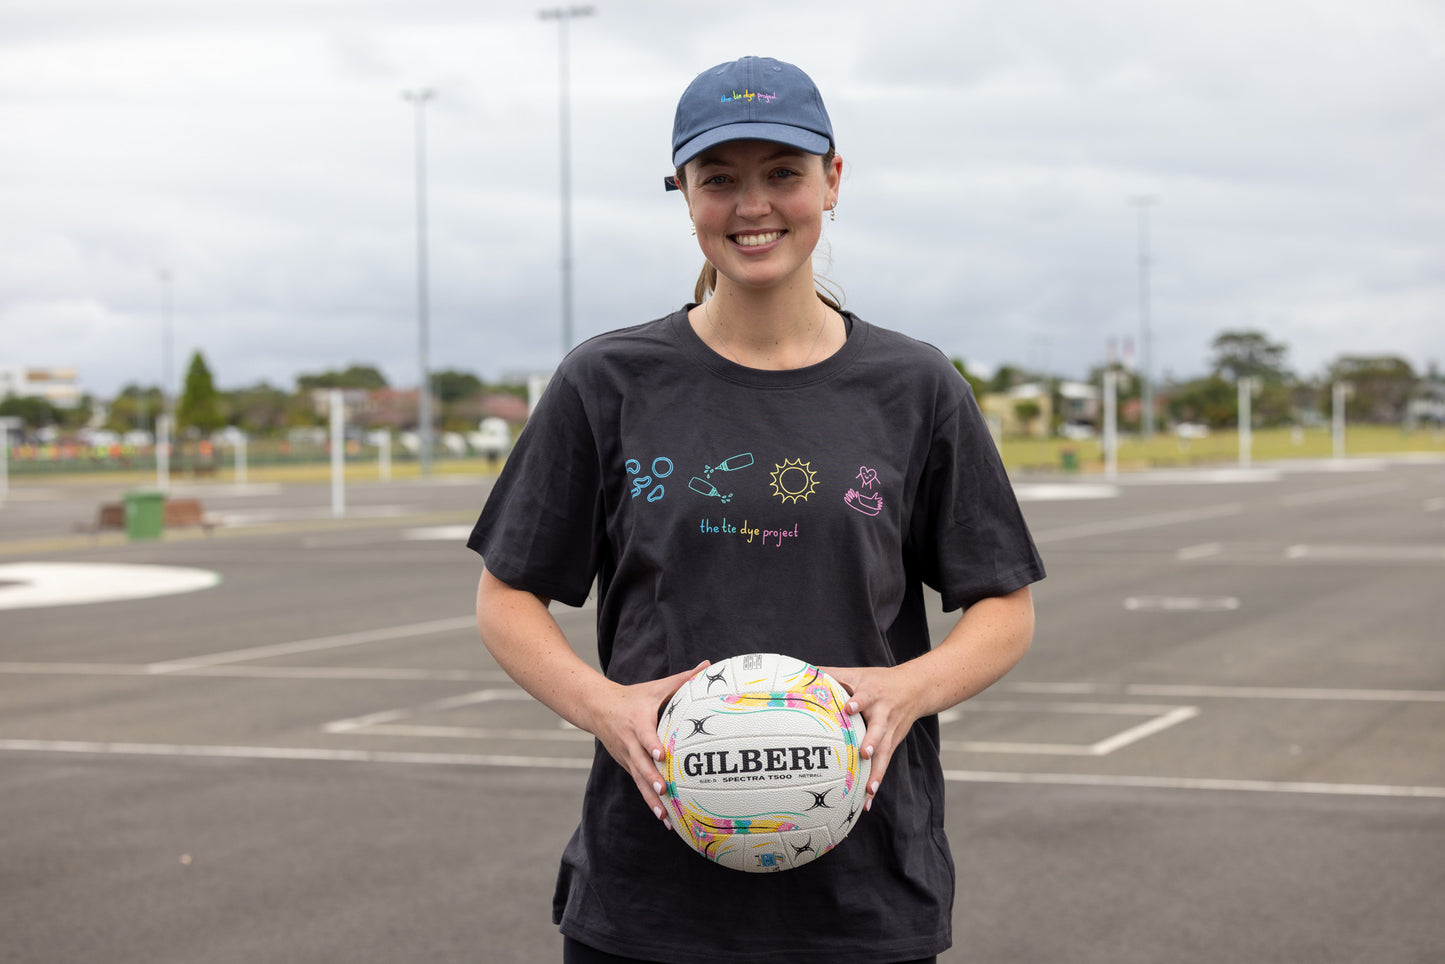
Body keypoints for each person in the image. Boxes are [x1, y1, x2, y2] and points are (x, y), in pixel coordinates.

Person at [470, 55, 1044, 964]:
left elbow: (1003, 606)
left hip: (862, 901)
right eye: (718, 180)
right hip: (650, 902)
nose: (752, 207)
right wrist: (604, 707)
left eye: (782, 173)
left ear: (832, 181)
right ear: (683, 194)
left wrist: (906, 688)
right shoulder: (608, 380)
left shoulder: (912, 386)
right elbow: (506, 597)